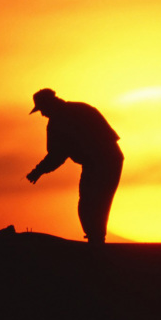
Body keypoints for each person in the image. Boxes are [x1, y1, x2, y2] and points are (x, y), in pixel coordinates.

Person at [26, 88, 124, 244]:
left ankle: (96, 243)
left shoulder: (59, 123)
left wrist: (38, 171)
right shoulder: (82, 109)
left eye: (42, 110)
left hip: (101, 162)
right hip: (109, 160)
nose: (43, 114)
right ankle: (96, 240)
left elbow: (56, 155)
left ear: (50, 104)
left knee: (90, 204)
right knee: (96, 203)